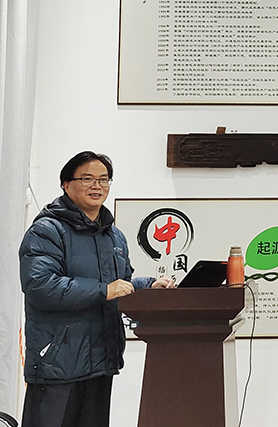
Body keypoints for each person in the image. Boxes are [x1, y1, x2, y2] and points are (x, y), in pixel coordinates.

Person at [18, 151, 174, 427]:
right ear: (66, 184)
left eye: (103, 179)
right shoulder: (46, 231)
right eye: (87, 179)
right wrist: (104, 291)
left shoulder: (114, 236)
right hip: (57, 364)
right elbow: (40, 286)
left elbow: (121, 283)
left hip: (100, 360)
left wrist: (148, 286)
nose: (97, 186)